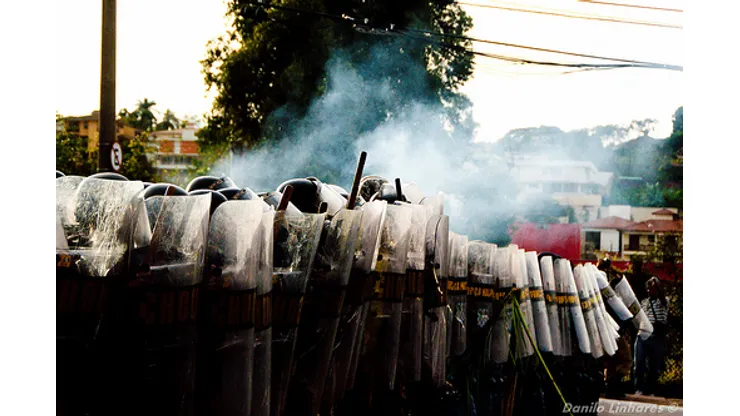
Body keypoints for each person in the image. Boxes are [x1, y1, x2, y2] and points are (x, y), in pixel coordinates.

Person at [598, 259, 634, 399]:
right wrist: (611, 268)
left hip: (607, 328)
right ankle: (612, 385)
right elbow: (620, 281)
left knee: (612, 360)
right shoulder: (608, 293)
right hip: (613, 329)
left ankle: (610, 388)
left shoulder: (598, 290)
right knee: (626, 359)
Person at [633, 276, 669, 396]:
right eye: (648, 289)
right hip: (643, 333)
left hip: (656, 334)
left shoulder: (663, 301)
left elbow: (663, 301)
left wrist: (656, 284)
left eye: (652, 289)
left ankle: (650, 390)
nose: (650, 291)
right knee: (639, 362)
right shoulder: (644, 302)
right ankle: (639, 388)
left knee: (654, 365)